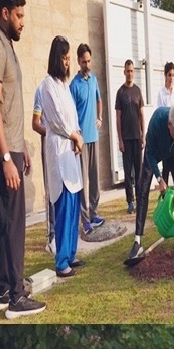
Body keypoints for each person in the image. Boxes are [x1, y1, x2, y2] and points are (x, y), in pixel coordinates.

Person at [0, 0, 46, 319]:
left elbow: (9, 106)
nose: (23, 22)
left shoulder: (6, 44)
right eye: (19, 17)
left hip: (10, 147)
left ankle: (3, 291)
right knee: (16, 223)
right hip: (1, 151)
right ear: (5, 12)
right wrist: (7, 157)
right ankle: (17, 300)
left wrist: (20, 147)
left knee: (8, 222)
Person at [125, 104, 174, 265]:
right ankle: (137, 241)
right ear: (169, 125)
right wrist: (159, 178)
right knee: (142, 190)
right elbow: (149, 153)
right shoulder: (157, 121)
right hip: (154, 153)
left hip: (172, 153)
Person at [41, 35, 86, 279]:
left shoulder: (65, 87)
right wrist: (74, 137)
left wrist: (77, 135)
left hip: (71, 153)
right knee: (63, 209)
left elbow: (73, 118)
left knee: (73, 207)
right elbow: (57, 121)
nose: (68, 62)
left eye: (69, 58)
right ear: (56, 58)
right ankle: (61, 262)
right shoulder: (47, 86)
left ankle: (70, 254)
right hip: (60, 154)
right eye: (65, 57)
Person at [70, 43, 105, 235]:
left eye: (89, 61)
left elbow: (99, 99)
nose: (87, 64)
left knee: (95, 179)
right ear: (78, 61)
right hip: (81, 142)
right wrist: (76, 134)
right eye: (84, 61)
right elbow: (70, 113)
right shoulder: (74, 85)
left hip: (94, 137)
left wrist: (99, 117)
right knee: (83, 181)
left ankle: (94, 214)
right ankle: (85, 220)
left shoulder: (94, 80)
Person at [115, 59, 145, 214]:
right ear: (124, 72)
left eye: (132, 71)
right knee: (128, 173)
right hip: (126, 139)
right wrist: (120, 139)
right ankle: (130, 202)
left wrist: (143, 135)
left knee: (139, 171)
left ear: (134, 72)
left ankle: (140, 199)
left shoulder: (138, 91)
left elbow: (141, 115)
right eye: (128, 70)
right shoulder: (120, 92)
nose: (130, 73)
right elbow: (118, 118)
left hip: (137, 138)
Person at [32, 80, 56, 254]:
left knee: (61, 190)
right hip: (49, 146)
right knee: (50, 191)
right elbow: (35, 122)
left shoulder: (62, 89)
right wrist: (52, 133)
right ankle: (51, 237)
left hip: (62, 149)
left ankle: (60, 235)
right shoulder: (41, 90)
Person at [156, 61, 174, 186]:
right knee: (166, 169)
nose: (171, 78)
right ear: (165, 76)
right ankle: (164, 198)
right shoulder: (161, 94)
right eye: (169, 75)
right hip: (166, 135)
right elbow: (160, 114)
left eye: (173, 75)